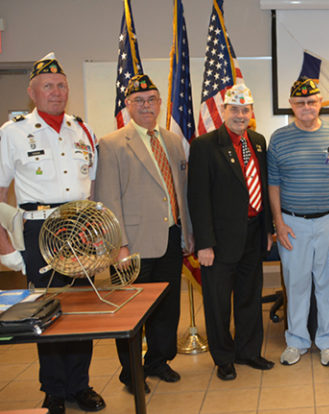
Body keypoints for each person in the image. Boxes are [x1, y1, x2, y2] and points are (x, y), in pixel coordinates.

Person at [0, 53, 105, 414]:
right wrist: (5, 248)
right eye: (48, 85)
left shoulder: (83, 129)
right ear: (33, 91)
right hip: (38, 230)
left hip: (79, 229)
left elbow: (92, 187)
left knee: (83, 310)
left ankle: (81, 385)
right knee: (46, 311)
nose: (56, 91)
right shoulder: (12, 133)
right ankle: (54, 390)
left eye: (61, 85)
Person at [94, 74, 193, 393]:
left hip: (171, 239)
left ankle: (157, 362)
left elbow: (181, 192)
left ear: (160, 103)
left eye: (152, 99)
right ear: (128, 105)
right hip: (132, 247)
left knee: (167, 307)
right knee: (131, 311)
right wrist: (118, 246)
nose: (147, 106)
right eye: (139, 100)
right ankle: (131, 371)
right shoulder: (111, 144)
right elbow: (108, 199)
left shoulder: (173, 141)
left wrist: (187, 233)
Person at [268, 77, 329, 367]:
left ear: (320, 103)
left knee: (327, 282)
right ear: (292, 105)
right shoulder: (279, 139)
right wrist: (278, 223)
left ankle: (328, 342)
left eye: (312, 101)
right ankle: (296, 341)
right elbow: (273, 184)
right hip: (292, 223)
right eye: (300, 103)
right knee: (296, 283)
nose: (307, 107)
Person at [188, 84, 274, 381]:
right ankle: (223, 358)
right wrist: (205, 244)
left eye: (245, 110)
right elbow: (198, 199)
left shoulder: (259, 142)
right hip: (219, 241)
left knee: (250, 297)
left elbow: (263, 189)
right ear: (224, 111)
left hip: (253, 234)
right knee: (218, 302)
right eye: (234, 109)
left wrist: (268, 230)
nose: (240, 115)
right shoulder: (204, 145)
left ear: (252, 113)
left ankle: (248, 351)